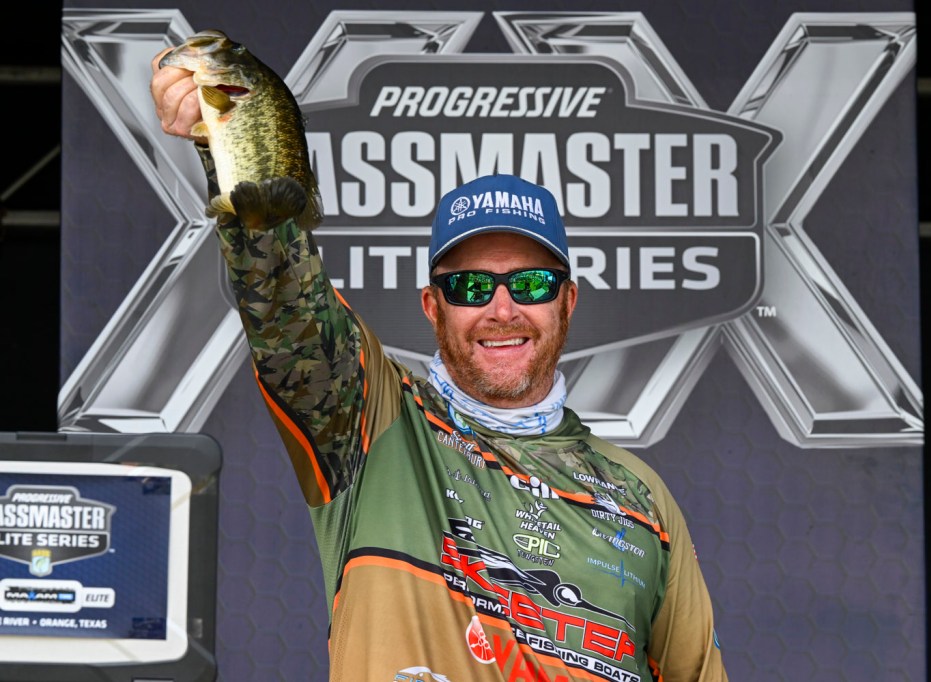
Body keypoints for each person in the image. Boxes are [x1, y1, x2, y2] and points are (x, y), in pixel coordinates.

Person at [151, 46, 728, 682]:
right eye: (470, 287)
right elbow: (287, 300)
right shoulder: (372, 424)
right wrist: (232, 138)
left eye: (531, 284)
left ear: (567, 301)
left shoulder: (643, 499)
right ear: (433, 306)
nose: (502, 309)